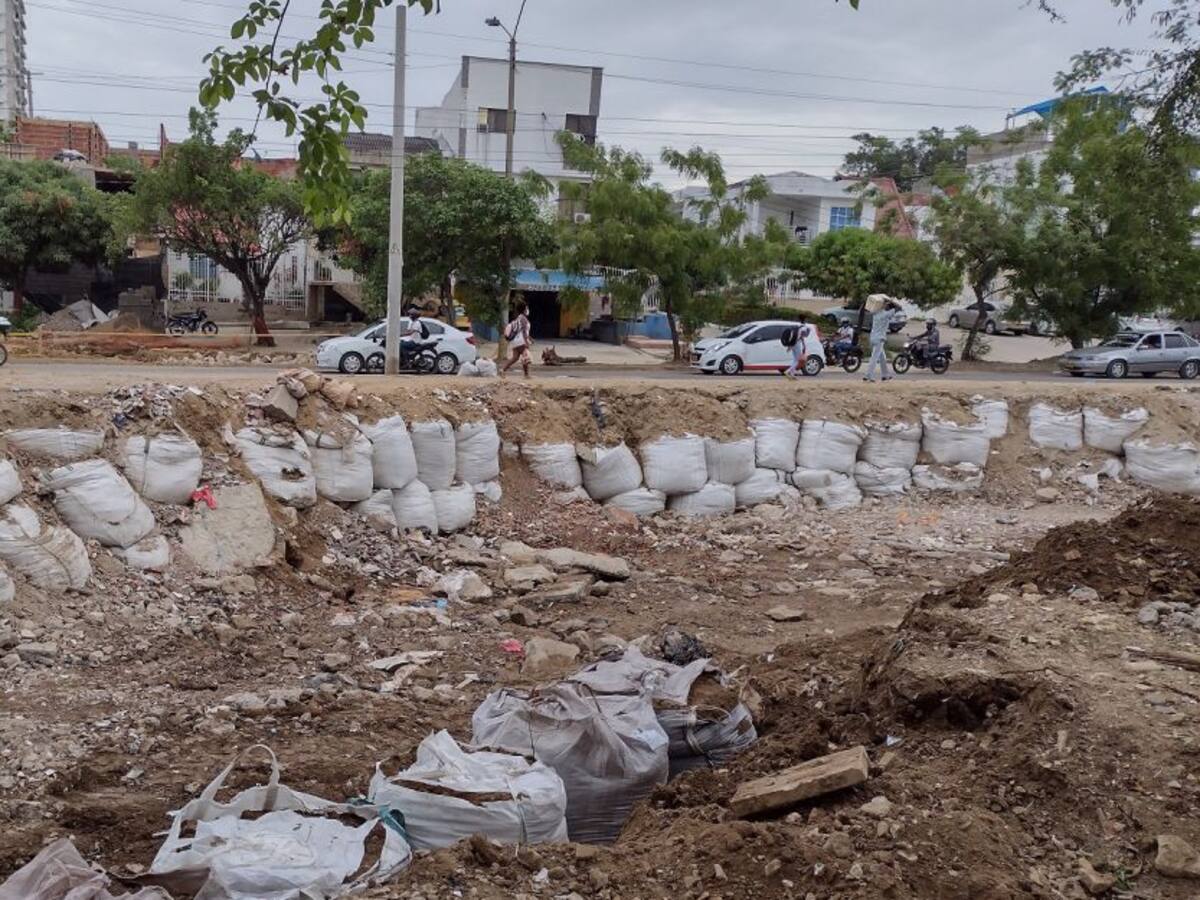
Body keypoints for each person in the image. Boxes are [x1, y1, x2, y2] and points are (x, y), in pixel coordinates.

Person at [864, 297, 898, 383]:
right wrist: (892, 302)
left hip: (873, 338)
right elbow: (896, 308)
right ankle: (868, 375)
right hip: (879, 339)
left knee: (882, 357)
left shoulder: (876, 313)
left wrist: (887, 303)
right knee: (874, 358)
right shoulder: (886, 314)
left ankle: (885, 375)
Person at [501, 299, 532, 378]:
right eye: (527, 308)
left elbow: (519, 331)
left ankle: (503, 370)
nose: (528, 310)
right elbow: (524, 332)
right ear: (524, 309)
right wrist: (527, 342)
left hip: (515, 341)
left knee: (515, 358)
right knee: (526, 357)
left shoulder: (518, 318)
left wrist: (530, 338)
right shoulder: (524, 319)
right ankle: (526, 375)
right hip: (521, 341)